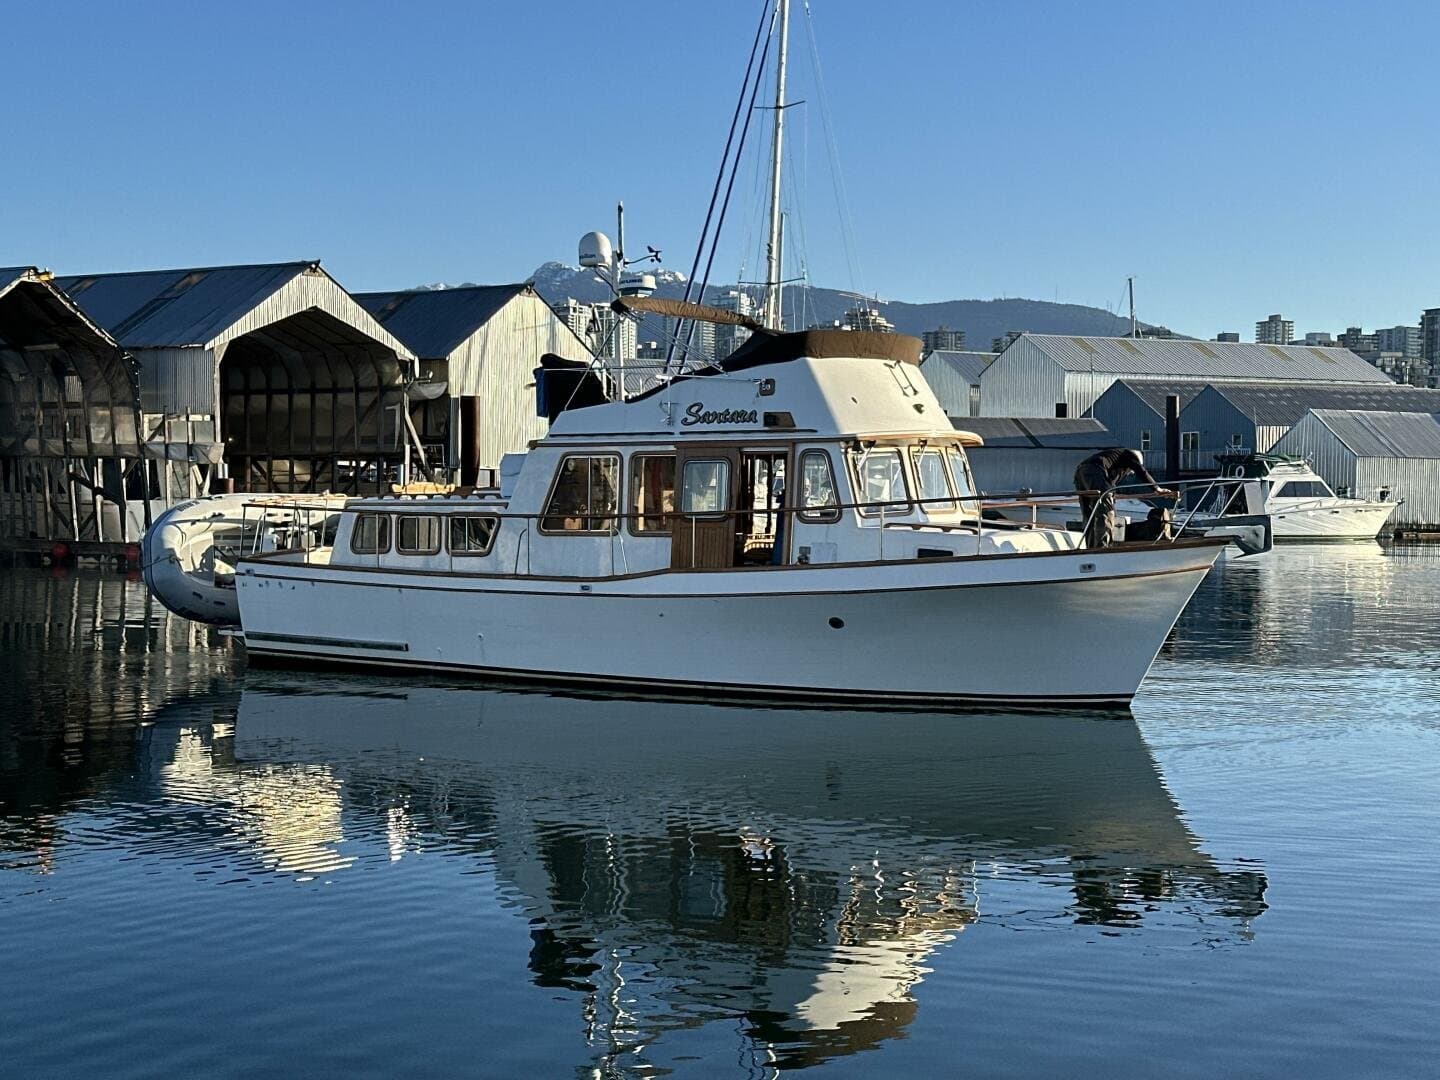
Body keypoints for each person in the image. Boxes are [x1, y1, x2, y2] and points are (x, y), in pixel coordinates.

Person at [1074, 448, 1178, 548]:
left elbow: (1110, 485)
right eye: (1130, 470)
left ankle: (1090, 547)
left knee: (1090, 514)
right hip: (1094, 471)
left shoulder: (1113, 461)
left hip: (1080, 473)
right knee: (1106, 511)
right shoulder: (1129, 454)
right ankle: (1102, 548)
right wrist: (1156, 488)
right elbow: (1141, 471)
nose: (1129, 473)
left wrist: (1112, 496)